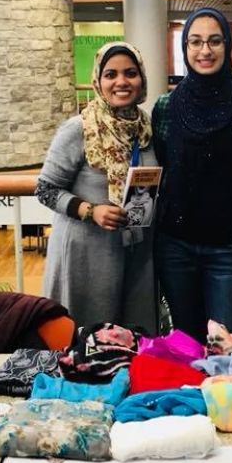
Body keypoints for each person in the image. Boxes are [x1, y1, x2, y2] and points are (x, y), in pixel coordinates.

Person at [152, 7, 232, 341]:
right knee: (186, 345)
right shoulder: (166, 107)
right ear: (184, 47)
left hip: (229, 251)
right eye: (195, 41)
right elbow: (160, 168)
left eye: (214, 41)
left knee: (226, 348)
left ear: (227, 46)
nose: (205, 50)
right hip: (176, 248)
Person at [35, 42, 158, 333]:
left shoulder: (147, 128)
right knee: (85, 340)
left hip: (135, 255)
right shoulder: (79, 128)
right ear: (98, 81)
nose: (121, 82)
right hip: (86, 258)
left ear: (142, 79)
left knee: (131, 341)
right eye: (111, 74)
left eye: (130, 73)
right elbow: (46, 189)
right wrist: (91, 210)